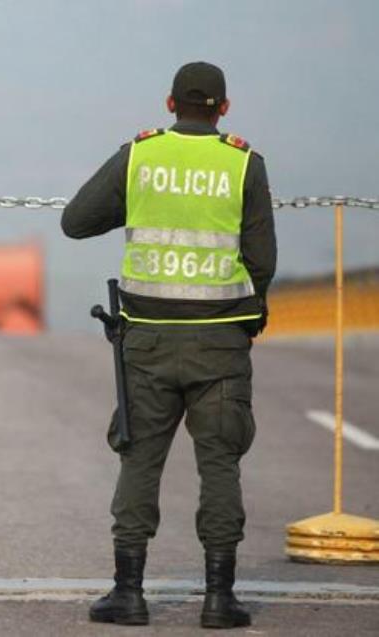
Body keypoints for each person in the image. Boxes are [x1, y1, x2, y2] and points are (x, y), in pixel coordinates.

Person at [61, 61, 276, 629]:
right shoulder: (243, 163)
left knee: (139, 465)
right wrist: (245, 323)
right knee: (221, 465)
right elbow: (262, 262)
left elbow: (76, 222)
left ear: (169, 103)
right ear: (224, 108)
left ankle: (128, 594)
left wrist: (136, 203)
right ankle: (219, 599)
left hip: (148, 342)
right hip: (220, 343)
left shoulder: (140, 155)